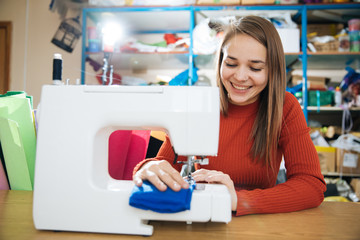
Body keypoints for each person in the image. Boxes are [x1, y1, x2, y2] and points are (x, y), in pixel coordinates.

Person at [133, 15, 326, 216]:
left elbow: (311, 185)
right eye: (231, 64)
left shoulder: (285, 107)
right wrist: (149, 167)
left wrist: (237, 200)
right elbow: (161, 163)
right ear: (220, 63)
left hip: (258, 222)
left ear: (272, 70)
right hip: (206, 217)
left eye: (255, 68)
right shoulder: (202, 105)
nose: (240, 77)